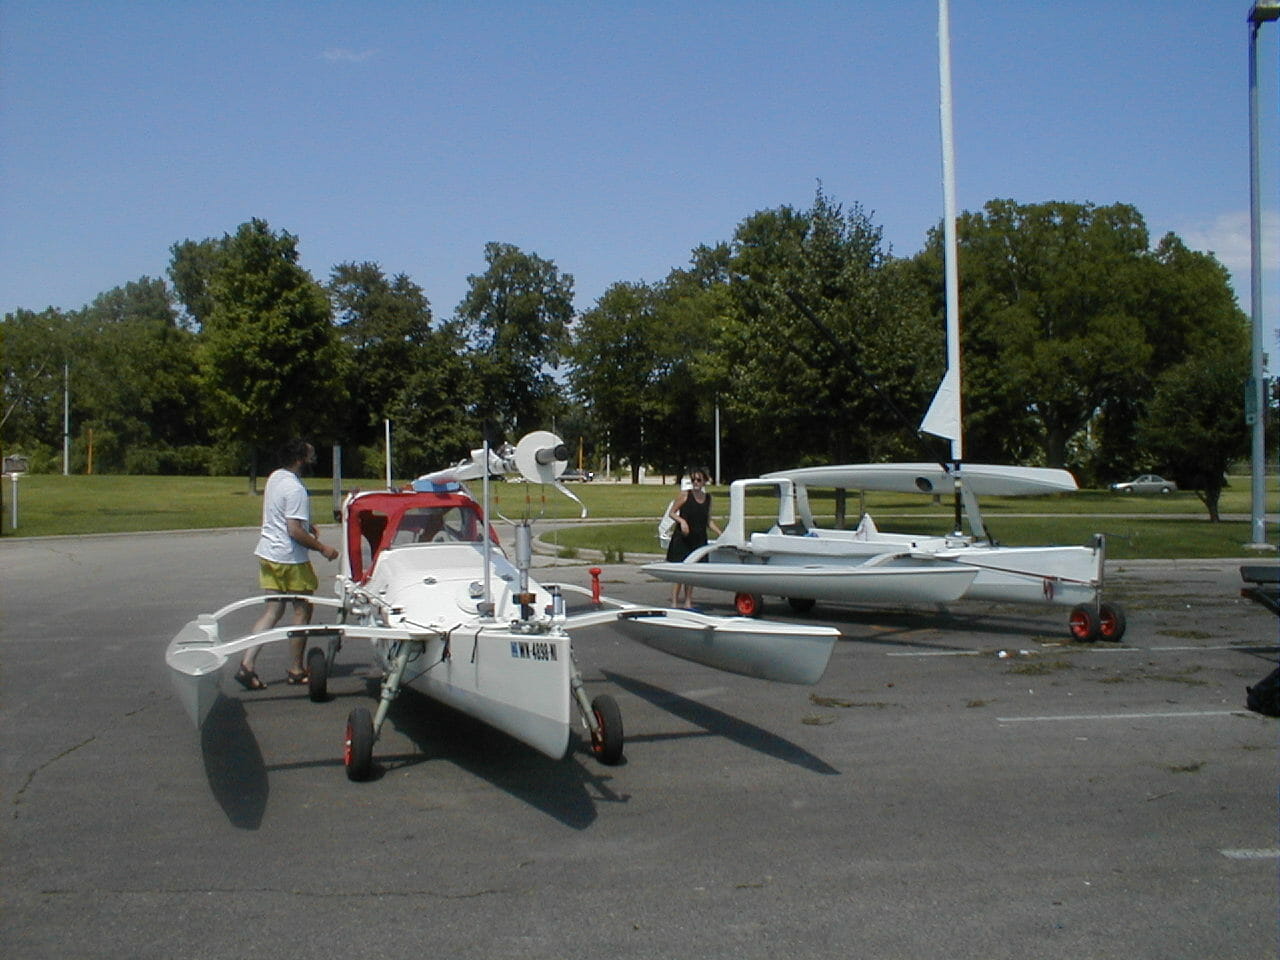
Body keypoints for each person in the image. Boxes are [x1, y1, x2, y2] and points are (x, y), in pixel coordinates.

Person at [235, 439, 339, 690]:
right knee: (302, 610)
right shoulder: (295, 489)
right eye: (311, 455)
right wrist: (323, 548)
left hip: (269, 554)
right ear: (301, 459)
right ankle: (295, 668)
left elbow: (283, 515)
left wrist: (307, 524)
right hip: (290, 559)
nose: (314, 460)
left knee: (273, 610)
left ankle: (247, 665)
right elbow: (293, 530)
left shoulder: (275, 477)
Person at [664, 467, 721, 608]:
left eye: (699, 480)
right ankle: (675, 602)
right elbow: (672, 513)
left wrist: (721, 533)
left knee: (691, 572)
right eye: (693, 480)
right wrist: (682, 521)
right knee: (680, 572)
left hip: (698, 538)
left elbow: (708, 521)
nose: (695, 482)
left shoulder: (708, 499)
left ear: (704, 482)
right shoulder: (685, 495)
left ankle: (688, 601)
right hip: (683, 538)